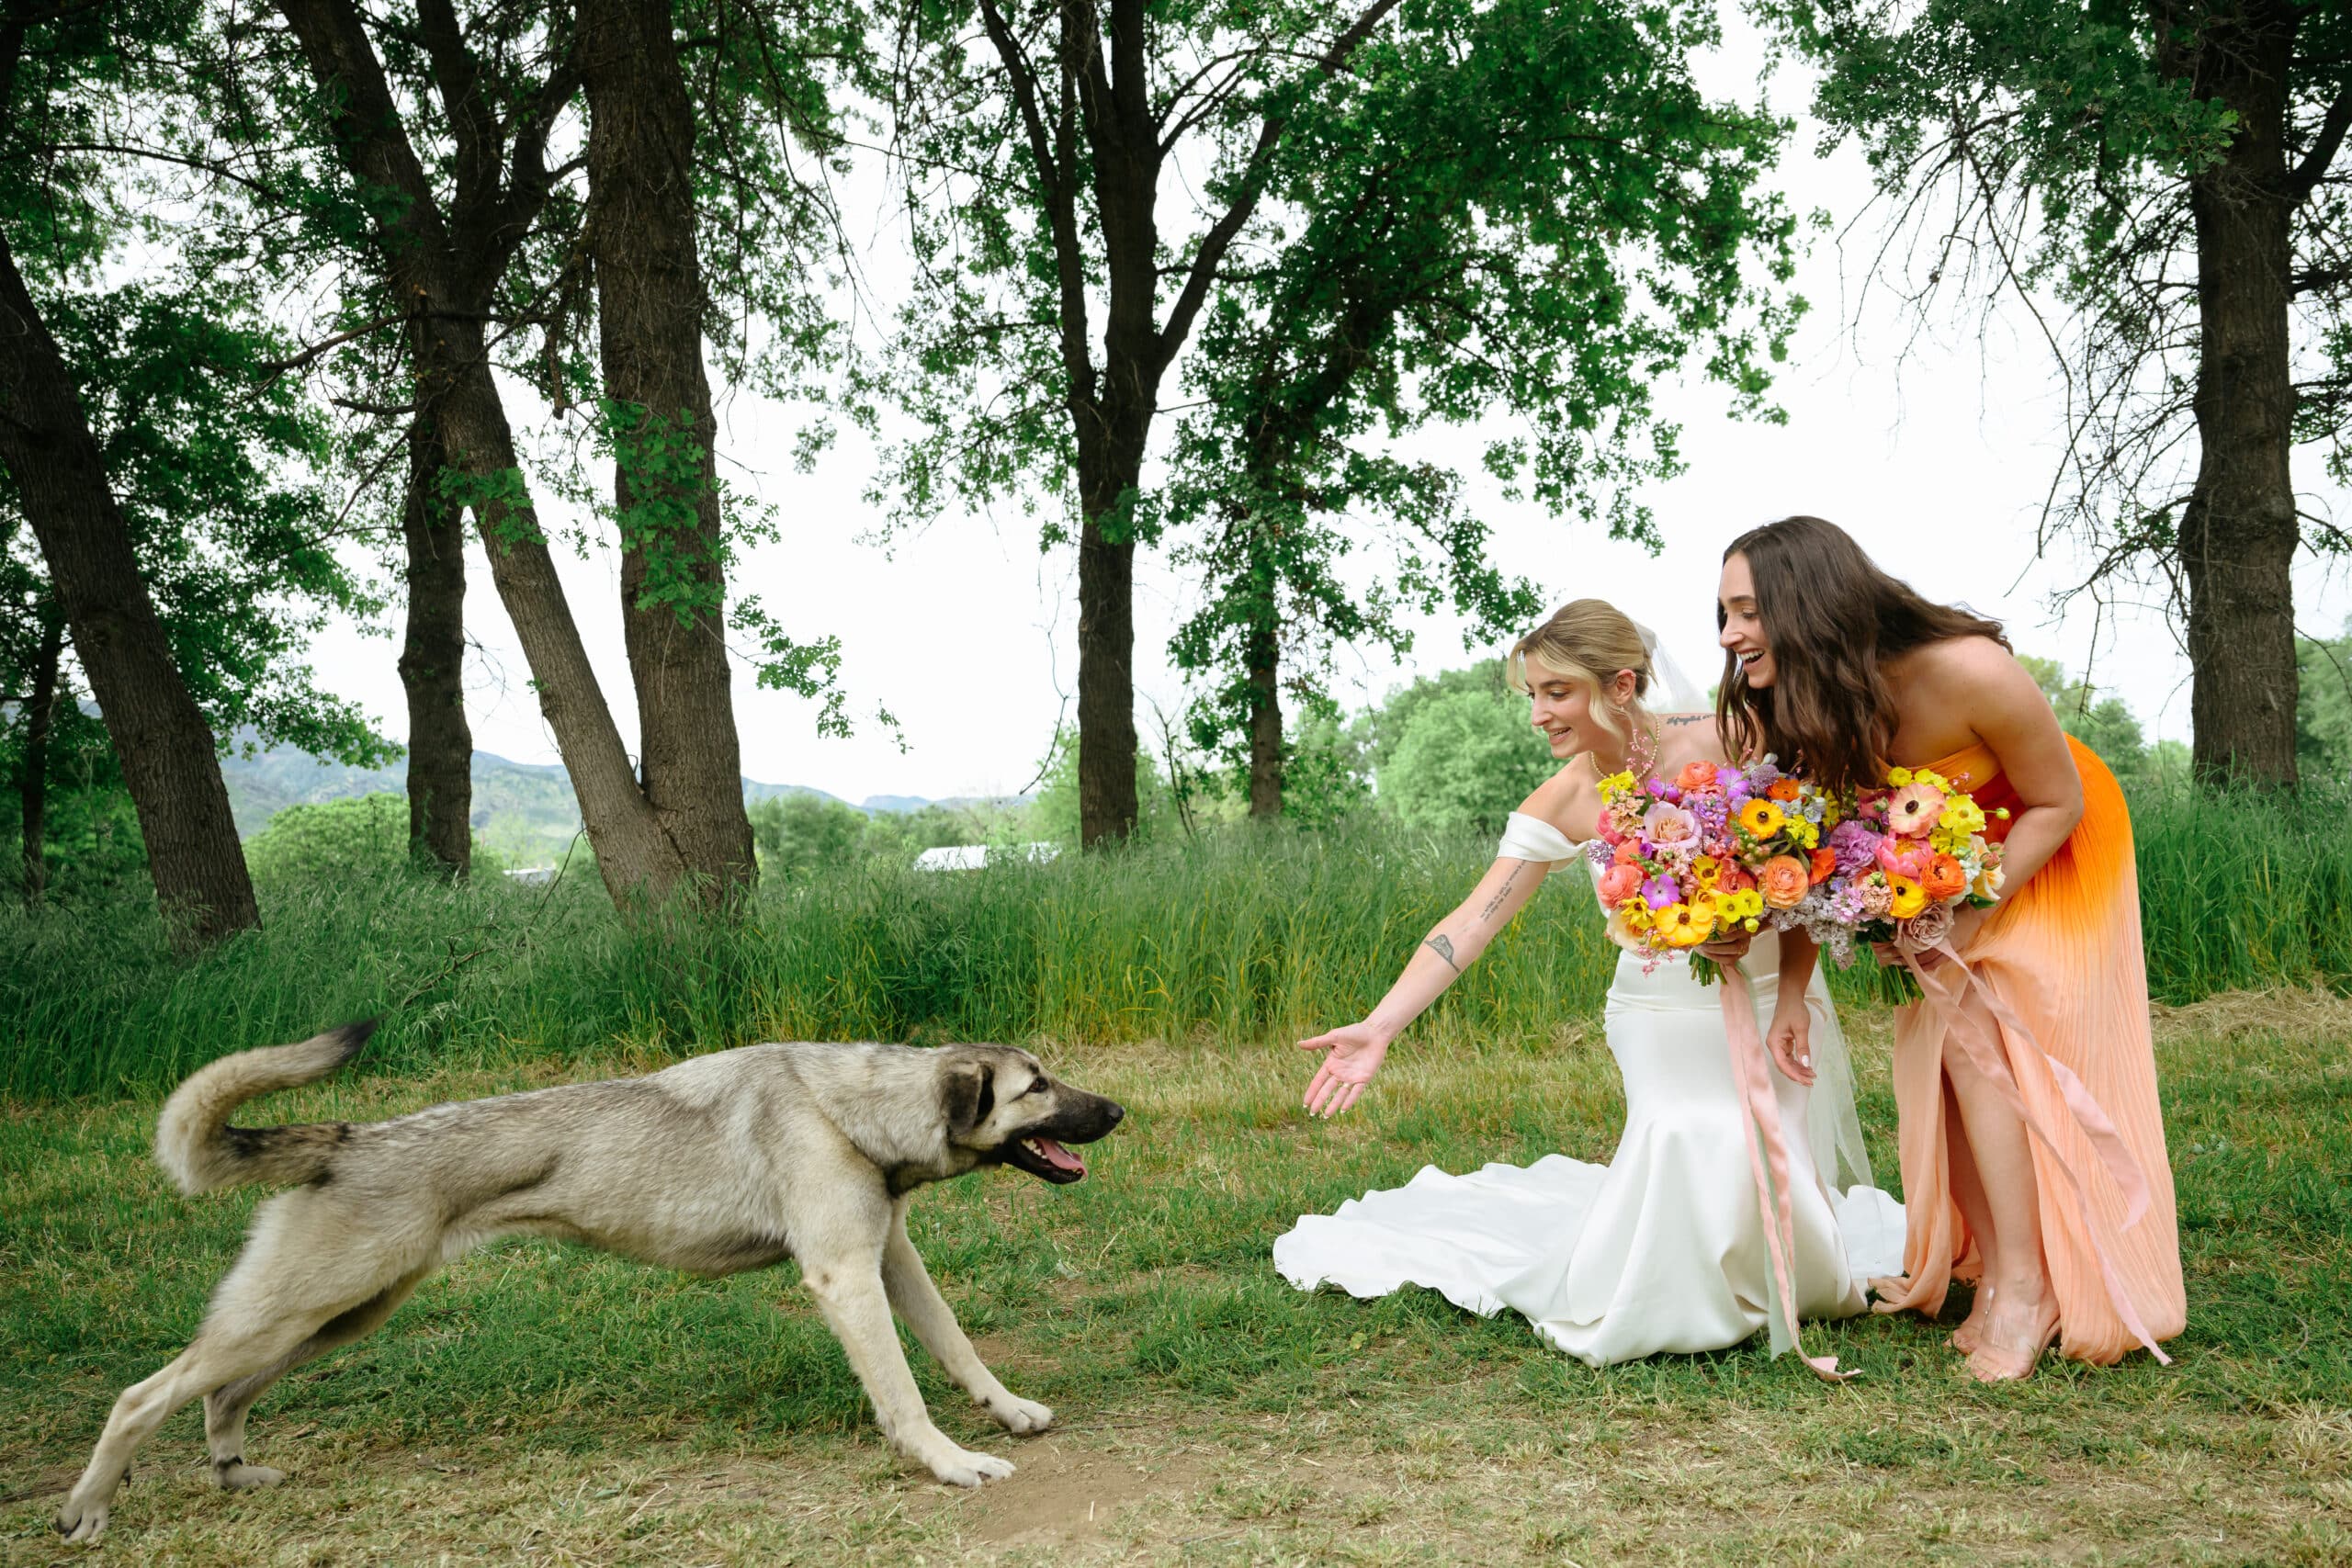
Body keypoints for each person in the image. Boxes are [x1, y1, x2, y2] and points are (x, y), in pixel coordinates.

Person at [1276, 600, 1903, 1368]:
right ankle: (1665, 1296)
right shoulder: (1569, 797)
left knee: (1759, 1143)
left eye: (1555, 692)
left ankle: (1776, 1274)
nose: (1539, 713)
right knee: (1681, 1129)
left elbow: (1805, 862)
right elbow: (1472, 922)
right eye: (1532, 696)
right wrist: (1380, 1025)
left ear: (1620, 685)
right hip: (1655, 1006)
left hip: (1770, 992)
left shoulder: (1731, 740)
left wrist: (1795, 987)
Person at [1715, 515, 2185, 1381]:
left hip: (2051, 846)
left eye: (1747, 611)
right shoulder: (1799, 704)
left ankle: (2029, 1285)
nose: (1731, 634)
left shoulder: (1969, 670)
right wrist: (1792, 995)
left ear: (1804, 604)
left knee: (1975, 1032)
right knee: (1937, 1056)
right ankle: (1999, 1268)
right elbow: (1808, 857)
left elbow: (2059, 800)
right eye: (1724, 614)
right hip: (1936, 878)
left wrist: (1966, 917)